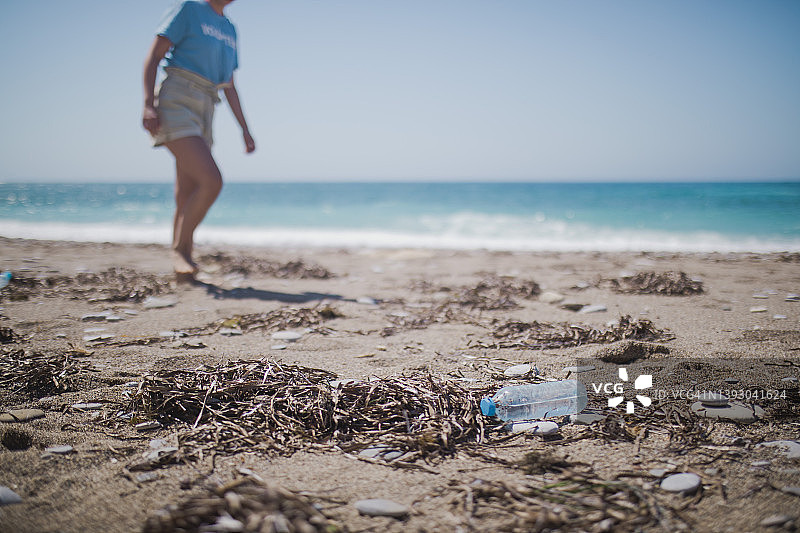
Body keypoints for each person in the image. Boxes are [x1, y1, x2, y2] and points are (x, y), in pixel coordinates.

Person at [142, 0, 255, 281]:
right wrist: (148, 104)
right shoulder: (189, 9)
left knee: (188, 189)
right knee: (211, 180)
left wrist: (244, 128)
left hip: (207, 106)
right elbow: (154, 56)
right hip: (176, 98)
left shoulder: (229, 28)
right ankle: (180, 250)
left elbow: (229, 84)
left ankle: (184, 264)